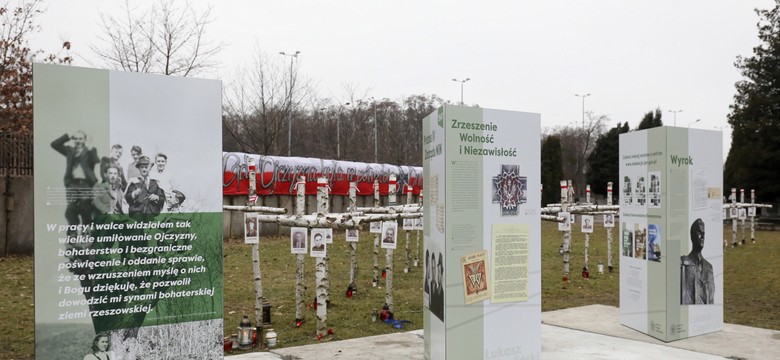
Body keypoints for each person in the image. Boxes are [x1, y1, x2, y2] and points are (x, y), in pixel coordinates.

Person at [51, 131, 99, 234]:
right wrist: (67, 136)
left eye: (80, 138)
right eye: (76, 138)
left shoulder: (90, 150)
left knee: (86, 207)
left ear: (84, 140)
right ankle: (72, 232)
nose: (78, 141)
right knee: (71, 207)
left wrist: (90, 148)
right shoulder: (70, 150)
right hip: (72, 183)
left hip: (86, 183)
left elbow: (96, 160)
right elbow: (54, 144)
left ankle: (86, 231)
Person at [681, 219, 715, 305]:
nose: (702, 236)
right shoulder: (682, 264)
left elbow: (711, 299)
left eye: (704, 233)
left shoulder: (709, 267)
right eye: (699, 232)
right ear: (692, 235)